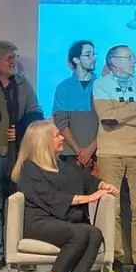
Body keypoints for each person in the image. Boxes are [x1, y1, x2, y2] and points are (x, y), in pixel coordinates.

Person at [10, 120, 119, 272]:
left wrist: (103, 185)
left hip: (63, 222)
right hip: (40, 221)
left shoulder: (62, 165)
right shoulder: (30, 168)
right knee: (79, 233)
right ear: (43, 142)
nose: (62, 138)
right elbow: (52, 198)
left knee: (95, 234)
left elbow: (88, 180)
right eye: (57, 135)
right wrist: (90, 198)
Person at [92, 45, 136, 272]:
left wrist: (120, 113)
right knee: (114, 209)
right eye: (129, 57)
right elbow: (106, 117)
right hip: (110, 154)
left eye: (133, 56)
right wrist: (135, 107)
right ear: (114, 61)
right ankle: (116, 258)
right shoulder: (101, 84)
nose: (134, 61)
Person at [0, 40, 42, 272]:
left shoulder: (23, 84)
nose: (14, 62)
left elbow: (36, 112)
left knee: (19, 202)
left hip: (19, 153)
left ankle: (19, 253)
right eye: (9, 58)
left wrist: (20, 128)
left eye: (15, 57)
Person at [53, 40, 100, 174]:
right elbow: (61, 122)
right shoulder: (64, 87)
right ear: (76, 60)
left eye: (94, 54)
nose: (93, 58)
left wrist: (90, 149)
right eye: (88, 55)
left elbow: (107, 122)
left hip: (100, 154)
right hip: (70, 155)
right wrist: (79, 151)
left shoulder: (102, 85)